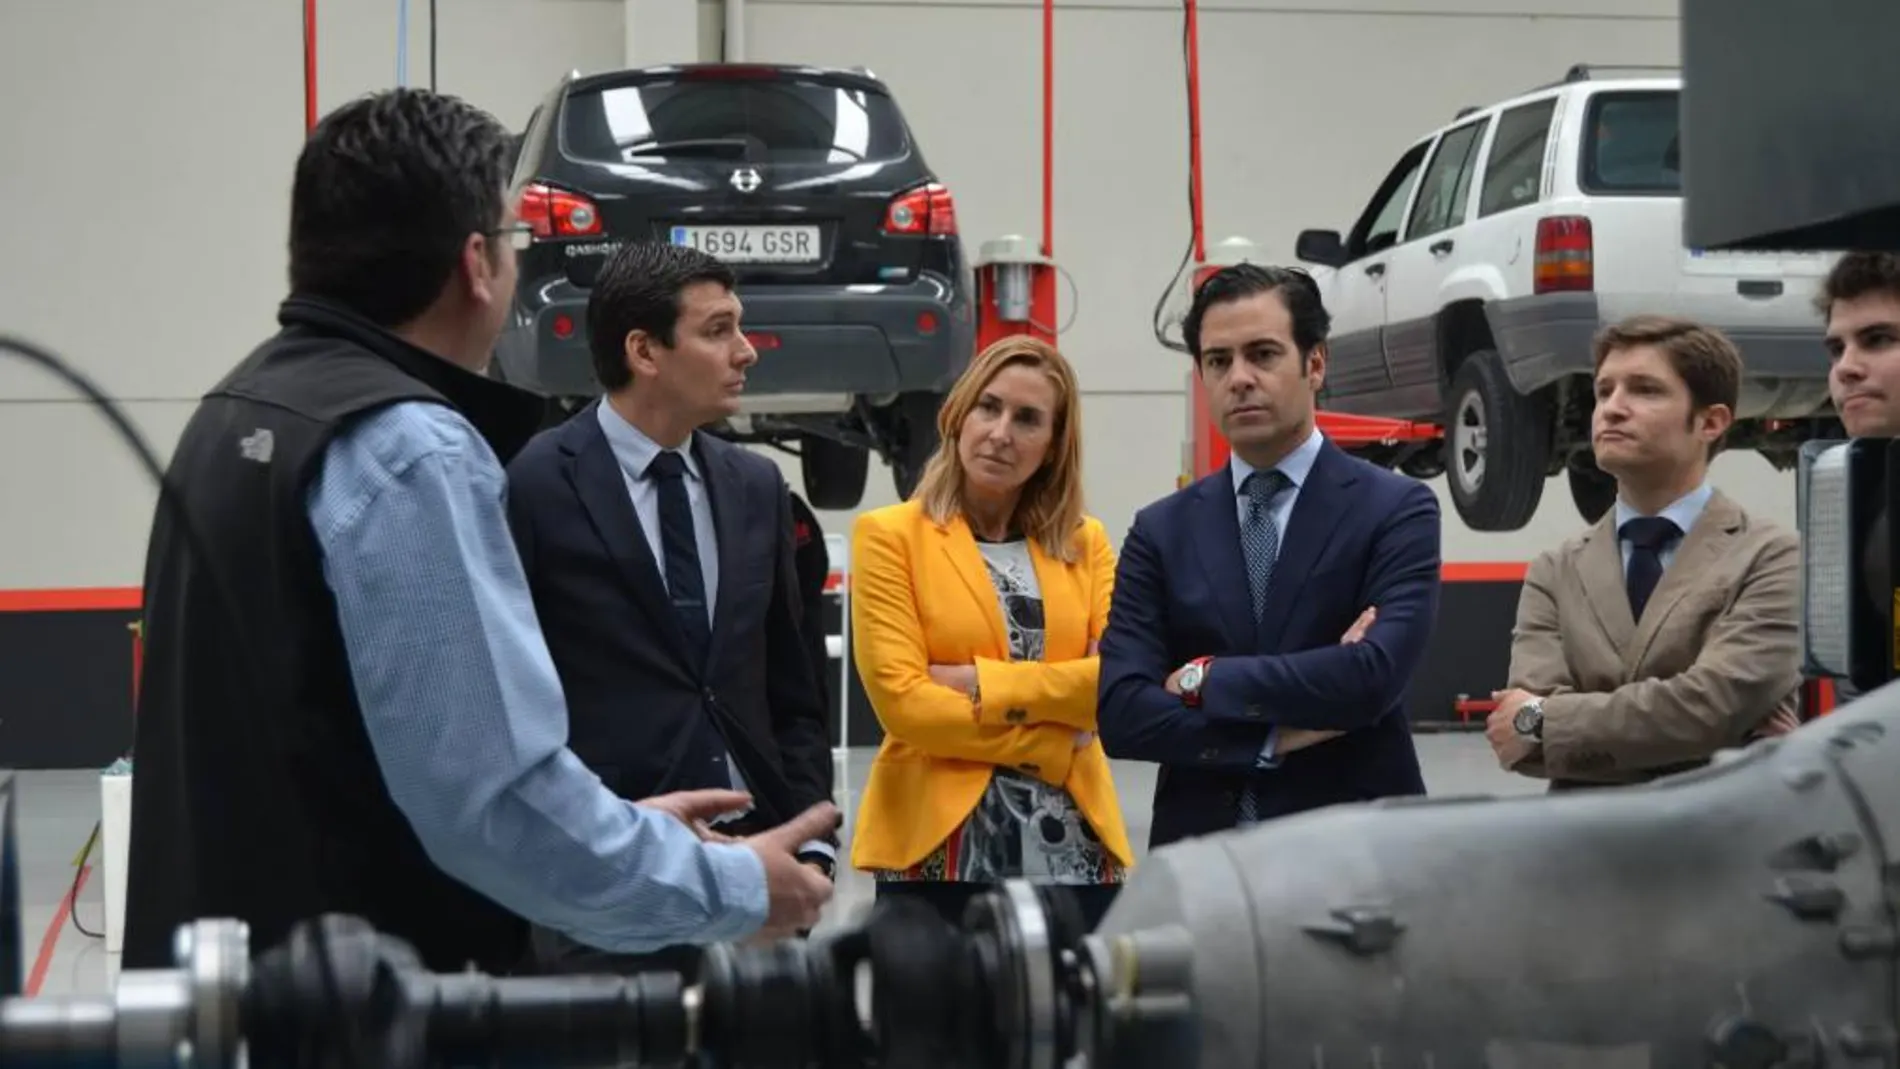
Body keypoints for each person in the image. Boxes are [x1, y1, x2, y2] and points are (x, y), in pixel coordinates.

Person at [122, 89, 836, 975]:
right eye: (513, 240)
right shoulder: (409, 448)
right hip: (361, 995)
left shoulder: (235, 412)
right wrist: (727, 887)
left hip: (231, 982)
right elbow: (495, 801)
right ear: (477, 264)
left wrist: (616, 830)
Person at [505, 241, 837, 975]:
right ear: (644, 351)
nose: (746, 351)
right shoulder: (534, 484)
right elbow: (511, 702)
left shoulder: (757, 488)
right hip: (611, 881)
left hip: (760, 874)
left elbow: (795, 689)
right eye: (718, 330)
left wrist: (810, 840)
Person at [1097, 264, 1438, 850]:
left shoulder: (1396, 509)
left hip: (1359, 860)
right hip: (1206, 865)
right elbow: (1123, 713)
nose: (1240, 378)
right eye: (1218, 361)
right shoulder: (1161, 531)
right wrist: (1267, 740)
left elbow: (1372, 677)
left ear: (1316, 363)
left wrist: (1204, 677)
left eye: (1263, 354)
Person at [848, 335, 1132, 931]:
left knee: (1072, 1025)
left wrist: (977, 683)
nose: (1001, 432)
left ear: (1053, 446)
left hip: (1076, 855)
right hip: (937, 856)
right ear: (958, 416)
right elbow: (905, 706)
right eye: (989, 406)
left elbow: (1117, 682)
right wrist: (1053, 740)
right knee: (935, 1026)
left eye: (1027, 419)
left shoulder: (1086, 544)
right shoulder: (889, 537)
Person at [1487, 316, 1803, 787]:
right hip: (1580, 848)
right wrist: (1701, 734)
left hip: (1723, 840)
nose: (1612, 409)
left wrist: (1546, 722)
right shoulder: (1555, 571)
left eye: (1645, 390)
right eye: (1604, 391)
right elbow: (1518, 744)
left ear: (1711, 421)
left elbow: (1711, 708)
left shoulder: (1771, 556)